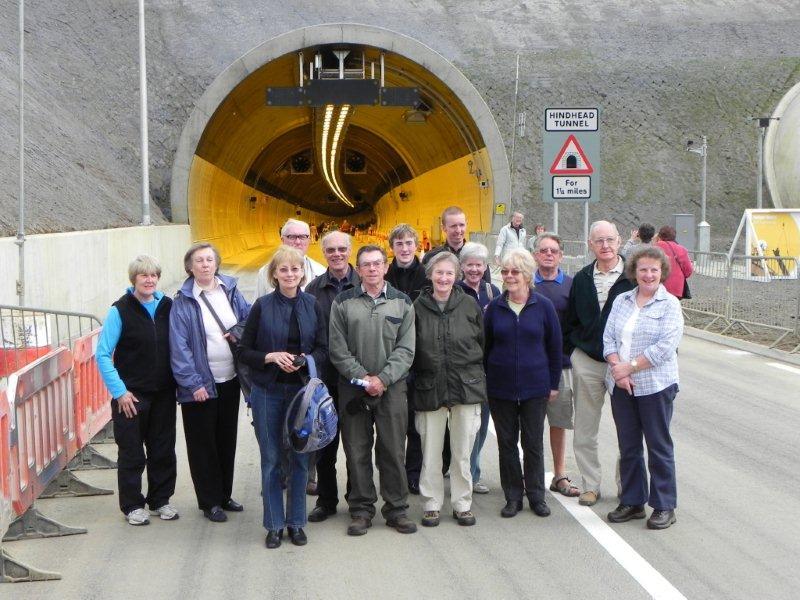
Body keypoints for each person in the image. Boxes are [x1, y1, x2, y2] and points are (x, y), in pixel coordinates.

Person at [237, 245, 328, 549]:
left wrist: (306, 359)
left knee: (301, 458)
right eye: (284, 269)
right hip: (268, 392)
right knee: (272, 459)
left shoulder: (313, 304)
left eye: (295, 269)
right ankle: (274, 524)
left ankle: (297, 523)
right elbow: (244, 352)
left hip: (302, 394)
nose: (290, 274)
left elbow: (323, 349)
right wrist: (270, 356)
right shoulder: (261, 306)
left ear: (303, 273)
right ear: (274, 274)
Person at [328, 245, 417, 536]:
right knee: (356, 449)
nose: (372, 269)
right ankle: (361, 509)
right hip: (353, 390)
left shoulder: (403, 303)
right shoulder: (343, 302)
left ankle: (396, 508)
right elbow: (337, 349)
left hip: (392, 389)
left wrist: (383, 379)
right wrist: (362, 378)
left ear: (385, 266)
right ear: (358, 268)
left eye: (377, 263)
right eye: (366, 265)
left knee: (392, 449)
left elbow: (406, 349)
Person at [603, 246, 684, 530]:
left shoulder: (670, 304)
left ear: (662, 273)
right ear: (634, 273)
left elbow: (665, 347)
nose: (648, 275)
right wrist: (618, 369)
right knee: (629, 446)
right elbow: (609, 338)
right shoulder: (622, 300)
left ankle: (664, 505)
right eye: (643, 270)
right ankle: (633, 500)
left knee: (658, 445)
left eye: (654, 270)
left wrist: (631, 367)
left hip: (655, 386)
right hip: (621, 385)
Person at [170, 242, 250, 522]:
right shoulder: (183, 301)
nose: (205, 264)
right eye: (199, 261)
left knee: (226, 440)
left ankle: (225, 495)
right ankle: (209, 501)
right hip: (201, 385)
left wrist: (238, 333)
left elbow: (249, 319)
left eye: (209, 259)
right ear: (190, 268)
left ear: (216, 263)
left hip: (229, 379)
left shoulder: (231, 290)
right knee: (202, 445)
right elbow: (179, 348)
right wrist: (193, 384)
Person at [96, 255, 178, 526]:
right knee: (132, 452)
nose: (149, 280)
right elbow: (103, 354)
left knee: (163, 449)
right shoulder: (119, 310)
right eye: (144, 275)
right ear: (134, 279)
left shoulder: (168, 306)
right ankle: (132, 505)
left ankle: (160, 500)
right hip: (131, 396)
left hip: (164, 392)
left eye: (153, 275)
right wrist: (120, 392)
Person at [484, 249, 562, 518]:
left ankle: (537, 496)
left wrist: (553, 384)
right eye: (505, 272)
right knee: (506, 443)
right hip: (500, 388)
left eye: (515, 271)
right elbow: (486, 347)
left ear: (527, 274)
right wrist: (486, 382)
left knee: (532, 443)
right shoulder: (494, 308)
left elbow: (554, 347)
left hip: (535, 387)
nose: (509, 277)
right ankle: (513, 496)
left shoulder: (543, 307)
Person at [563, 221, 635, 506]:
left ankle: (626, 487)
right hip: (589, 361)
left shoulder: (633, 276)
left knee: (627, 428)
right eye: (599, 241)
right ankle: (590, 485)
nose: (605, 246)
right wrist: (574, 353)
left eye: (610, 240)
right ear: (590, 245)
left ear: (619, 242)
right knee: (585, 427)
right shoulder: (581, 278)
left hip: (624, 363)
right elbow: (570, 321)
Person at [412, 252, 486, 527]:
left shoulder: (469, 305)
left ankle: (462, 503)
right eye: (439, 273)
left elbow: (482, 343)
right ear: (430, 275)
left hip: (465, 388)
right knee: (430, 452)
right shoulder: (416, 307)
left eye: (449, 273)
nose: (444, 278)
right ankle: (431, 503)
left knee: (462, 451)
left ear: (457, 277)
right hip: (429, 388)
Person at [304, 231, 360, 523]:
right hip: (326, 380)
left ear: (350, 250)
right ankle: (326, 501)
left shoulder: (364, 283)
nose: (337, 254)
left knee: (356, 443)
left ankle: (356, 498)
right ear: (323, 253)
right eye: (331, 250)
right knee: (325, 444)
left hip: (356, 380)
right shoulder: (313, 290)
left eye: (341, 249)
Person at [532, 233, 580, 497]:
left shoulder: (572, 286)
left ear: (561, 256)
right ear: (535, 255)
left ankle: (559, 474)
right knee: (530, 423)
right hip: (531, 366)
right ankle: (533, 475)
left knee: (558, 422)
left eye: (553, 251)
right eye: (543, 250)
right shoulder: (526, 284)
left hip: (561, 366)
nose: (548, 254)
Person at [385, 223, 429, 495]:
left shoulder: (426, 278)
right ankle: (393, 473)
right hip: (389, 359)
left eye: (408, 243)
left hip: (419, 360)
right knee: (390, 425)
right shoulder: (382, 276)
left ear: (417, 246)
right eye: (399, 244)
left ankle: (413, 473)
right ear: (392, 248)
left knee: (416, 423)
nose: (404, 248)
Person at [456, 242, 500, 495]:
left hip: (487, 370)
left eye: (479, 265)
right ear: (462, 266)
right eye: (469, 264)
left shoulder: (492, 292)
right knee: (461, 427)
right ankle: (457, 470)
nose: (474, 269)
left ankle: (473, 472)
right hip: (462, 369)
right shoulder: (454, 291)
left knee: (481, 426)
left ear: (485, 267)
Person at [256, 219, 326, 297]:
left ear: (309, 240)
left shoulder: (321, 272)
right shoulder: (265, 272)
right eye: (292, 237)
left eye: (303, 237)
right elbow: (258, 306)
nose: (298, 242)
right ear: (282, 240)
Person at [424, 206, 491, 283]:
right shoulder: (431, 257)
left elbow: (486, 287)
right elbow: (426, 288)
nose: (458, 230)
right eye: (453, 226)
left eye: (462, 225)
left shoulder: (478, 255)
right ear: (443, 228)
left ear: (466, 224)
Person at [655, 225, 693, 299]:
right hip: (676, 288)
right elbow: (688, 271)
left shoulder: (655, 247)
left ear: (660, 235)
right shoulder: (682, 249)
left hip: (658, 286)